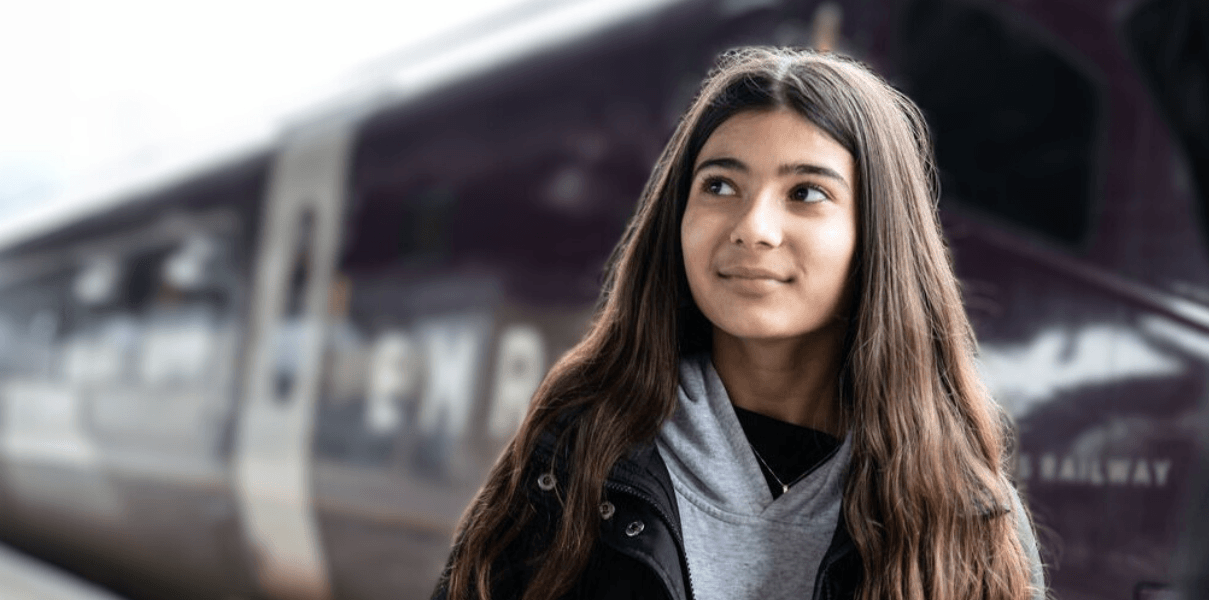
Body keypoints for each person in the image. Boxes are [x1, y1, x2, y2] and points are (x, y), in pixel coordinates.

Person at [431, 46, 1047, 600]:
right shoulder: (571, 459)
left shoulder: (963, 510)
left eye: (806, 193)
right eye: (720, 185)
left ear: (877, 238)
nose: (753, 226)